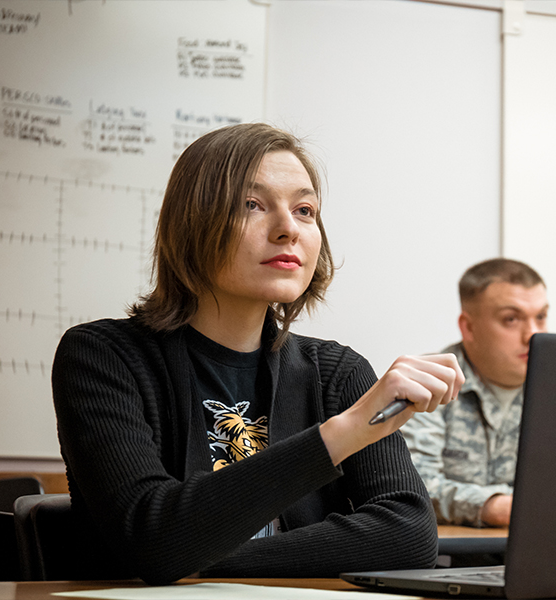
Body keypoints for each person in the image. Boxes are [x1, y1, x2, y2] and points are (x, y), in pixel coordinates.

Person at [51, 123, 464, 585]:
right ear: (192, 222)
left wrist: (204, 559)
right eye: (253, 205)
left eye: (305, 210)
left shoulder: (337, 373)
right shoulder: (102, 357)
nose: (289, 229)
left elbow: (408, 537)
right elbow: (153, 538)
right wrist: (343, 434)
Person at [401, 259, 548, 528]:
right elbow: (411, 486)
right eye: (511, 319)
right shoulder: (427, 382)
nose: (533, 334)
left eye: (540, 316)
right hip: (443, 562)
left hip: (541, 555)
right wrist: (492, 506)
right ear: (468, 327)